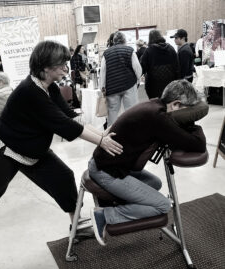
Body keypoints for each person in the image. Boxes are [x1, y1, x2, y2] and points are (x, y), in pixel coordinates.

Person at [0, 41, 123, 266]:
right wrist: (101, 141)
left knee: (63, 176)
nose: (65, 70)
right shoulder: (30, 91)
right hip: (2, 151)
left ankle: (76, 224)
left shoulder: (50, 87)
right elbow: (66, 127)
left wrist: (101, 133)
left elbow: (70, 116)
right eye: (60, 66)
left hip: (30, 151)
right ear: (45, 67)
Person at [88, 80, 206, 245]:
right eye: (188, 110)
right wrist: (193, 121)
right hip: (106, 172)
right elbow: (198, 145)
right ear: (176, 104)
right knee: (163, 206)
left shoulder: (154, 105)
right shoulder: (158, 117)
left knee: (154, 183)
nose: (189, 113)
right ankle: (104, 215)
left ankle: (120, 203)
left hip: (113, 165)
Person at [99, 31, 142, 127]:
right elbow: (137, 68)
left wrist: (102, 87)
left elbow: (103, 71)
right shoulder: (129, 50)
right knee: (131, 111)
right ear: (124, 40)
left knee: (112, 113)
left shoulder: (106, 53)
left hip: (112, 88)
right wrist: (138, 80)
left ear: (113, 41)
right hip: (129, 85)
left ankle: (112, 135)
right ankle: (133, 132)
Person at [140, 29, 180, 99]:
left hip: (154, 86)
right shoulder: (171, 48)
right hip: (170, 84)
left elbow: (142, 68)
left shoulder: (149, 51)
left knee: (156, 106)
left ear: (150, 38)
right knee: (169, 104)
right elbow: (177, 67)